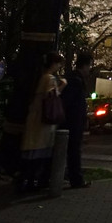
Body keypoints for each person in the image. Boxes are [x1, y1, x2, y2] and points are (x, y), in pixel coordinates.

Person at [18, 51, 66, 192]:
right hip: (42, 120)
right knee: (38, 153)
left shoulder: (39, 77)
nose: (58, 67)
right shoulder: (49, 78)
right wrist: (62, 85)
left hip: (34, 117)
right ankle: (31, 182)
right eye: (58, 64)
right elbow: (50, 96)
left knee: (31, 152)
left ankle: (25, 181)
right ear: (53, 63)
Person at [60, 50, 93, 189]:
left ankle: (69, 176)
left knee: (69, 150)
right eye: (90, 66)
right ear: (85, 65)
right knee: (74, 150)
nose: (90, 69)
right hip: (72, 122)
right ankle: (76, 179)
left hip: (69, 121)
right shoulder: (76, 80)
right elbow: (70, 102)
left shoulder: (71, 78)